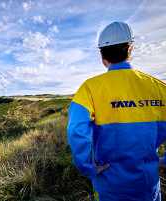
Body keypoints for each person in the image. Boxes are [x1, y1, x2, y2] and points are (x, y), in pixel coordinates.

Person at [67, 21, 166, 201]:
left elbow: (76, 132)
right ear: (130, 50)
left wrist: (88, 167)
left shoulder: (89, 89)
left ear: (102, 54)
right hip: (148, 187)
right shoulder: (160, 88)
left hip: (109, 188)